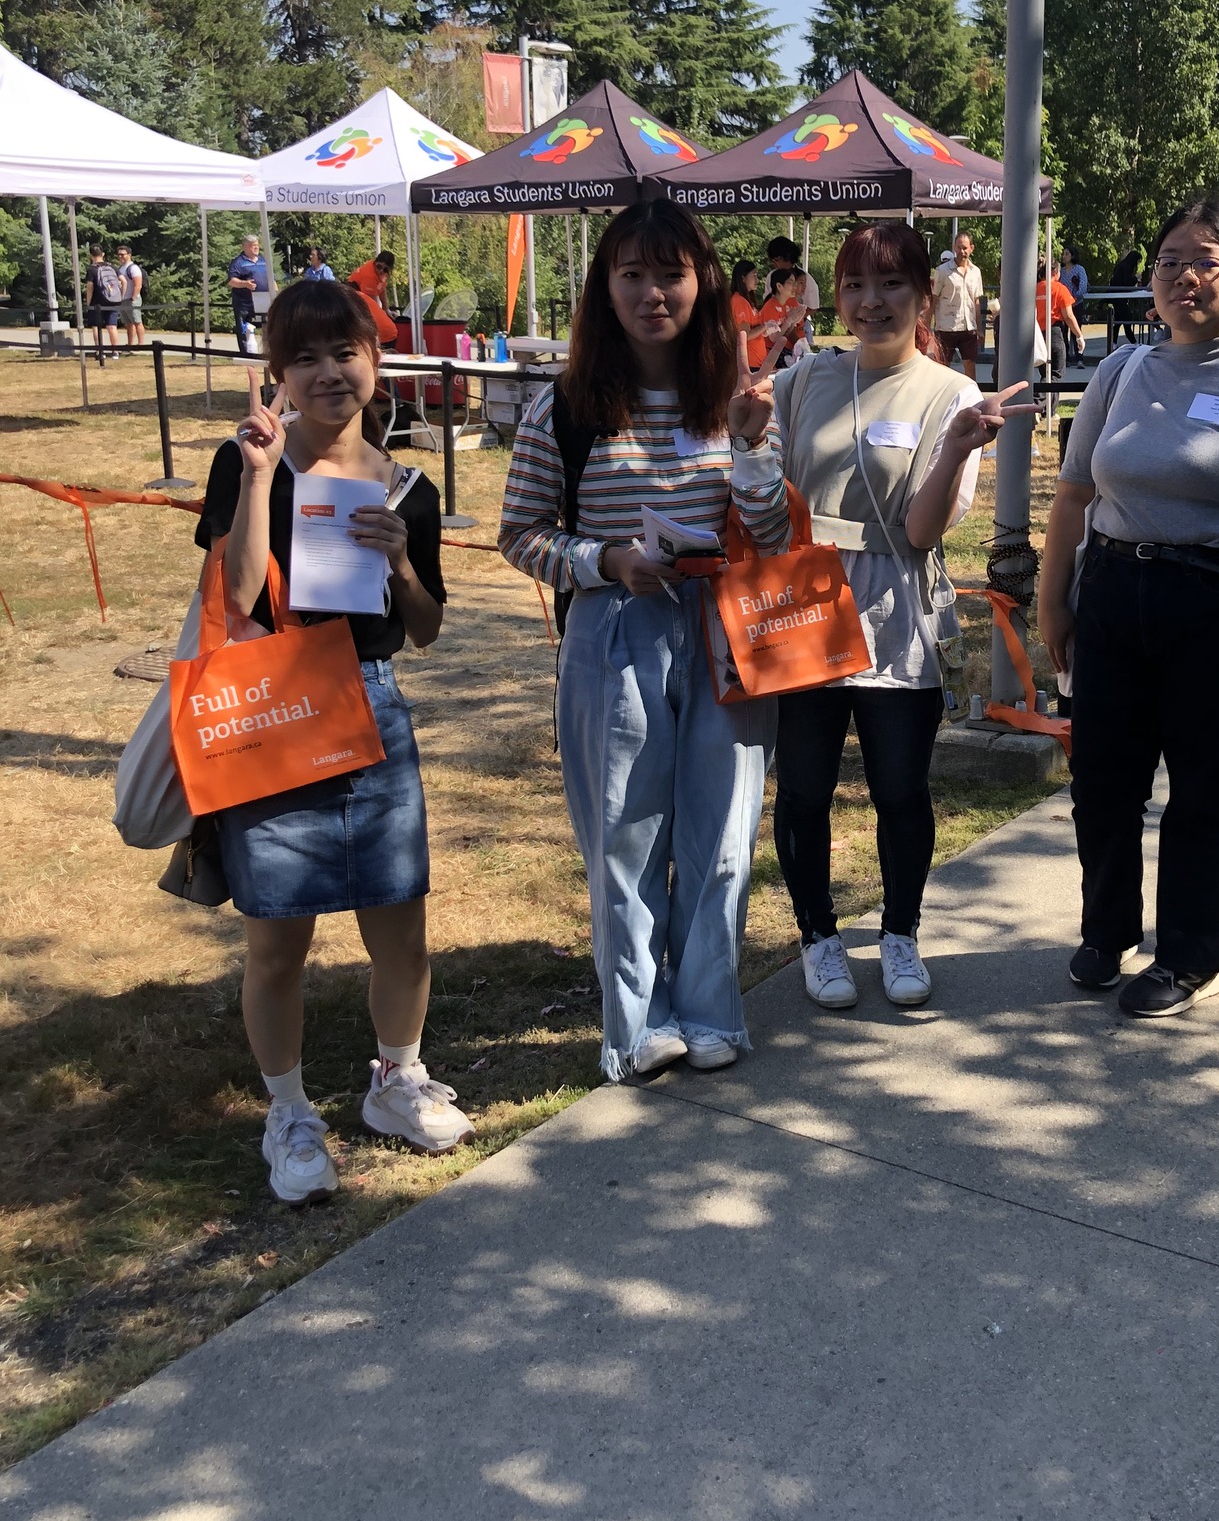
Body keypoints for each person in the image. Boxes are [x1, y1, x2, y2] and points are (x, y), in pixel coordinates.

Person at [499, 200, 790, 1081]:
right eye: (632, 274)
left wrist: (752, 449)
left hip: (724, 631)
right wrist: (604, 560)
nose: (652, 293)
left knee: (724, 832)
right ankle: (636, 1022)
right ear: (605, 286)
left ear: (703, 285)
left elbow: (772, 533)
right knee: (624, 834)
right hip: (615, 631)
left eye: (671, 274)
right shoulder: (565, 407)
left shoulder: (735, 402)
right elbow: (521, 534)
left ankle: (710, 1009)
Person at [195, 277, 466, 1204]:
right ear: (278, 372)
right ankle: (288, 1112)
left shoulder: (409, 486)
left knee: (402, 927)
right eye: (303, 358)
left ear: (374, 362)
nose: (326, 374)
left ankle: (397, 1080)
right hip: (274, 710)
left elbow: (425, 629)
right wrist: (260, 475)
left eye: (344, 353)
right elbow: (235, 598)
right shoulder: (248, 461)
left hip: (373, 705)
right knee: (278, 939)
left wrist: (399, 559)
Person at [1036, 193, 1219, 1021]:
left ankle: (1194, 956)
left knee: (1204, 787)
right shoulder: (1121, 372)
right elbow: (1073, 497)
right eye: (1169, 262)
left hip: (1218, 602)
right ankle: (1107, 931)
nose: (1183, 278)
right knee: (1102, 779)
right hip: (1114, 592)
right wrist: (1054, 601)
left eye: (1206, 262)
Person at [747, 221, 1032, 1010]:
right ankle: (818, 936)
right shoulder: (803, 380)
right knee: (803, 789)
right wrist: (744, 439)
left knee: (901, 788)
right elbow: (764, 503)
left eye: (890, 284)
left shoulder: (951, 395)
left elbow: (921, 532)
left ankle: (900, 932)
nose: (871, 302)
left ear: (924, 296)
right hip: (804, 608)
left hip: (896, 613)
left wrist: (958, 447)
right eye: (855, 285)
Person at [931, 230, 985, 381]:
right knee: (943, 367)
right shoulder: (942, 271)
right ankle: (942, 394)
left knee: (970, 367)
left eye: (965, 248)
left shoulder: (976, 272)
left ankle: (972, 395)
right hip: (946, 327)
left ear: (971, 248)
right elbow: (933, 298)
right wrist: (928, 327)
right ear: (954, 248)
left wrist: (979, 329)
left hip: (968, 328)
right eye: (959, 247)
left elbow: (976, 301)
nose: (962, 251)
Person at [1037, 256, 1082, 381]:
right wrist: (1079, 335)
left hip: (1039, 334)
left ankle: (1044, 393)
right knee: (1056, 374)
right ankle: (1043, 394)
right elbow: (1068, 316)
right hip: (1055, 332)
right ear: (1055, 272)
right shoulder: (1060, 289)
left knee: (1045, 374)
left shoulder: (1035, 289)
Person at [348, 250, 400, 348]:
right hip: (356, 296)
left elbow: (382, 289)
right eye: (379, 267)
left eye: (385, 269)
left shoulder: (383, 274)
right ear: (375, 262)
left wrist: (386, 309)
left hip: (389, 336)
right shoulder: (369, 276)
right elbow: (371, 303)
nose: (381, 271)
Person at [765, 234, 820, 321]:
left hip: (800, 323)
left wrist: (793, 319)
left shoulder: (806, 278)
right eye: (772, 260)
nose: (774, 264)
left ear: (787, 256)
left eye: (776, 259)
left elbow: (813, 307)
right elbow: (767, 301)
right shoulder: (771, 276)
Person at [227, 234, 266, 355]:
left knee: (267, 326)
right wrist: (245, 284)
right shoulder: (238, 262)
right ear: (246, 247)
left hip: (262, 301)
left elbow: (271, 278)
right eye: (253, 245)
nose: (256, 247)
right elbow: (231, 281)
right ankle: (246, 354)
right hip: (244, 303)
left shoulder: (262, 260)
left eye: (257, 245)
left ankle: (267, 352)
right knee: (244, 329)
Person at [85, 243, 124, 358]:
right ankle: (115, 352)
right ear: (103, 254)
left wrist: (88, 302)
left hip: (97, 301)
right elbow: (124, 281)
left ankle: (100, 351)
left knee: (96, 327)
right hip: (113, 300)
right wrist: (121, 296)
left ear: (91, 255)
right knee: (112, 326)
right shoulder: (112, 267)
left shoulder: (92, 269)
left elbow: (90, 287)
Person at [1107, 246, 1143, 348]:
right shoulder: (1127, 268)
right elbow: (1126, 282)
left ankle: (1114, 343)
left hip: (1116, 296)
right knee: (1126, 319)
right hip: (1120, 297)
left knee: (1118, 321)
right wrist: (1135, 279)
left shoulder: (1120, 266)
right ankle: (1134, 342)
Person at [1061, 244, 1090, 364]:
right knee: (1063, 332)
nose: (1064, 256)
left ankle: (1079, 358)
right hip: (1063, 305)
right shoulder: (1061, 271)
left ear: (1072, 256)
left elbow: (1083, 286)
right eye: (1063, 254)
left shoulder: (1079, 269)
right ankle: (1065, 358)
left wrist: (1074, 298)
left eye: (1067, 254)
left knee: (1076, 330)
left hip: (1076, 303)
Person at [116, 243, 146, 348]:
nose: (120, 256)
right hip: (123, 299)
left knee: (137, 322)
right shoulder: (121, 268)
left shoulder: (133, 268)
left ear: (129, 255)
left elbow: (138, 284)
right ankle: (130, 344)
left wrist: (133, 297)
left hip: (132, 299)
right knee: (128, 323)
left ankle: (141, 344)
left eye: (122, 254)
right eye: (119, 254)